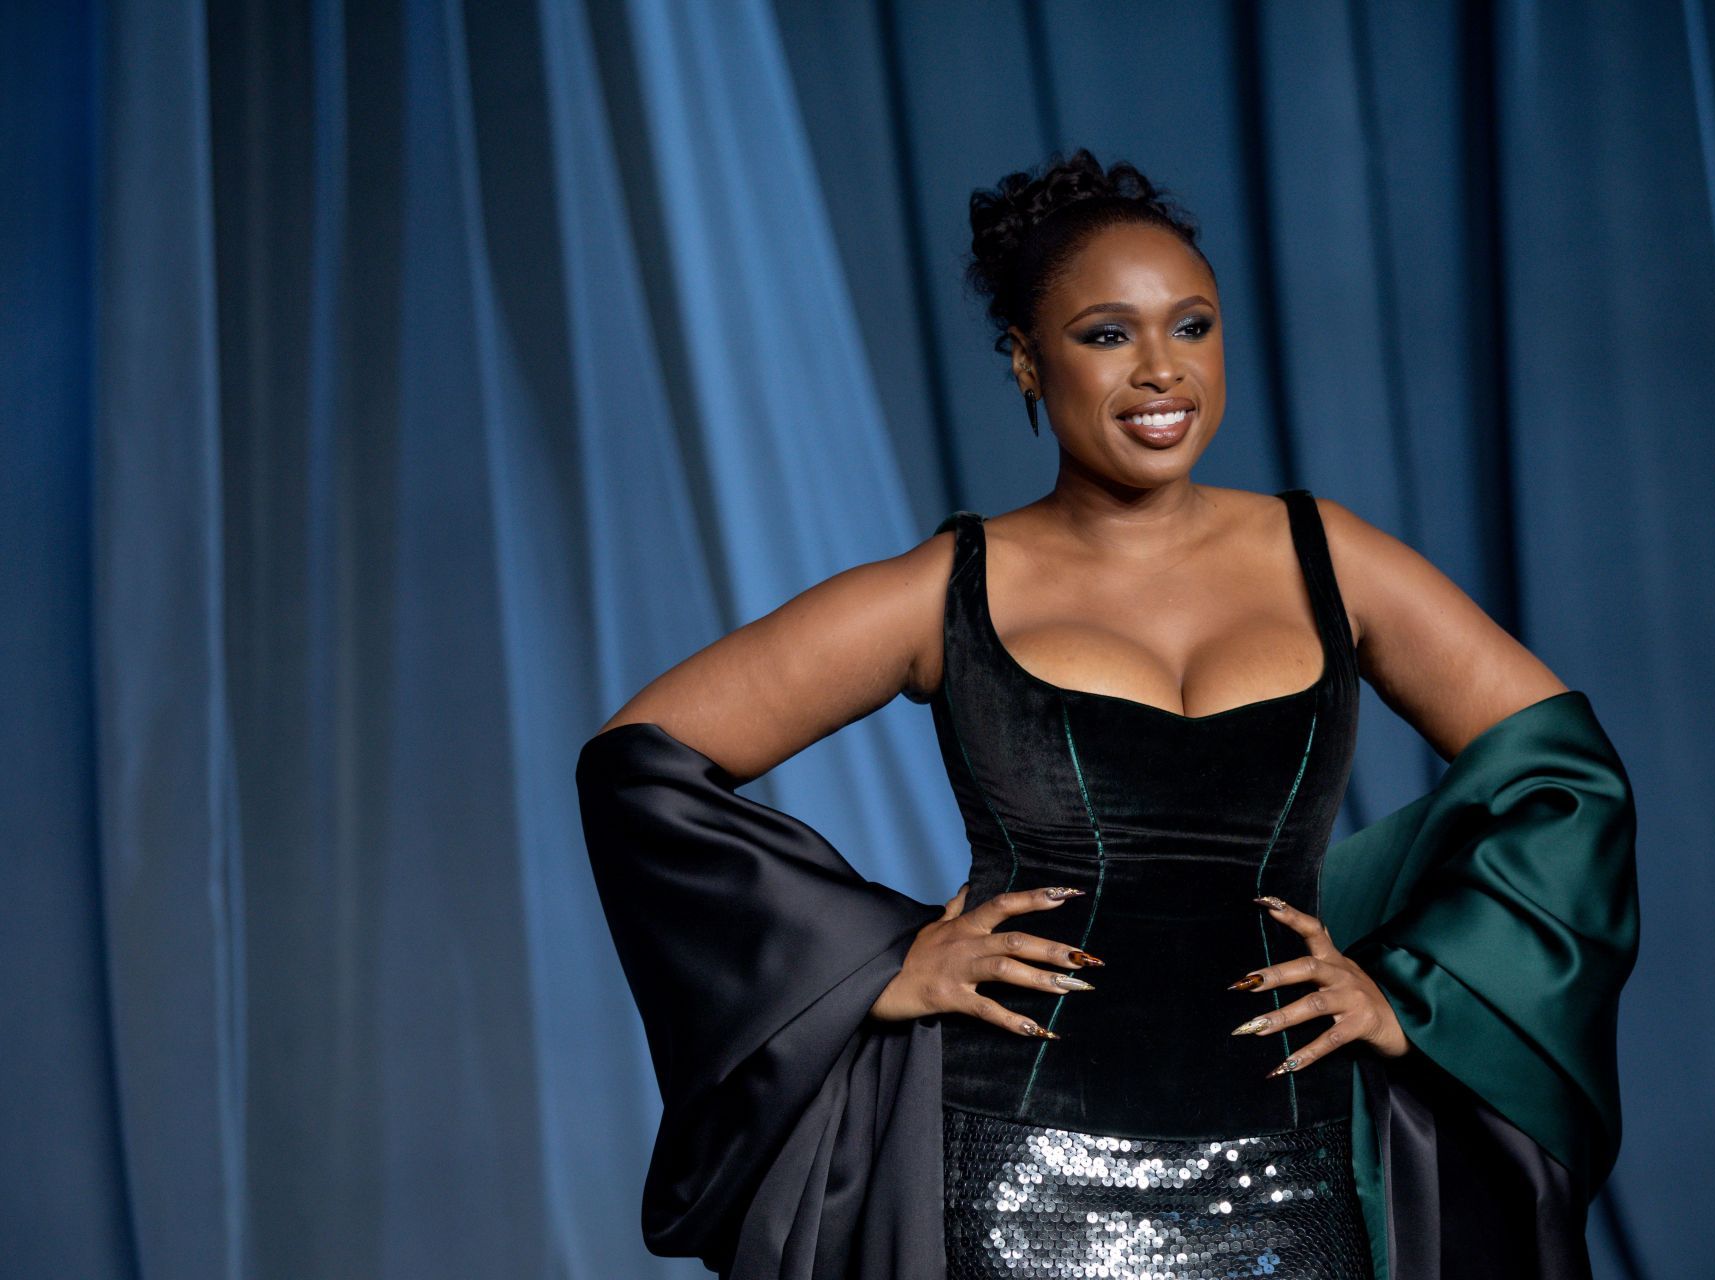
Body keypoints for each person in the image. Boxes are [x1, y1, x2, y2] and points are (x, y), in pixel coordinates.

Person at [576, 149, 1638, 1279]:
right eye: (1105, 334)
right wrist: (878, 958)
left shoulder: (1334, 557)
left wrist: (1415, 991)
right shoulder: (950, 587)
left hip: (1297, 1161)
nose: (1160, 372)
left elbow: (1565, 777)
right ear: (1029, 363)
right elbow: (642, 763)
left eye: (1191, 326)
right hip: (1012, 1169)